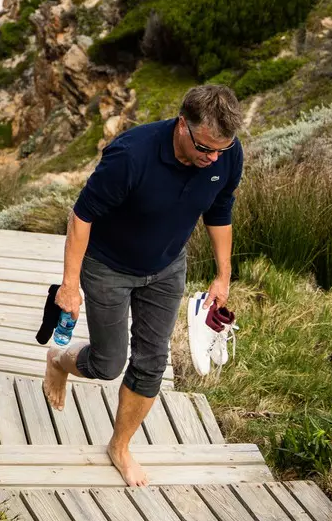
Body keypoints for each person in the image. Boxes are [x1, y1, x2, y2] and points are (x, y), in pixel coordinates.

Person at [43, 84, 243, 486]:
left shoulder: (226, 153)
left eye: (222, 149)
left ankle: (120, 446)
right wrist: (69, 285)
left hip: (168, 267)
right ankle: (58, 362)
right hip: (108, 267)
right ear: (182, 125)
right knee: (107, 363)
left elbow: (220, 212)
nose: (214, 159)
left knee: (152, 364)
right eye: (205, 148)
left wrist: (222, 276)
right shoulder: (130, 155)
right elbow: (81, 216)